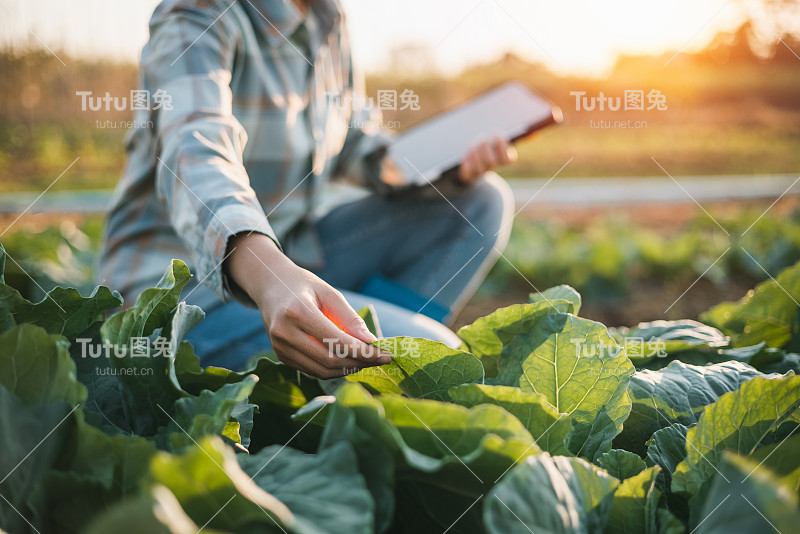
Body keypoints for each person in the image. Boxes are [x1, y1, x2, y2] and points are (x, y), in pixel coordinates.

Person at [98, 0, 518, 378]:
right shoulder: (197, 13)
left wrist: (447, 164)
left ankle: (350, 372)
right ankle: (354, 374)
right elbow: (195, 148)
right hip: (183, 298)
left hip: (293, 261)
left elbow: (356, 144)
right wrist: (269, 275)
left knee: (479, 201)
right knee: (435, 352)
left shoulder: (327, 19)